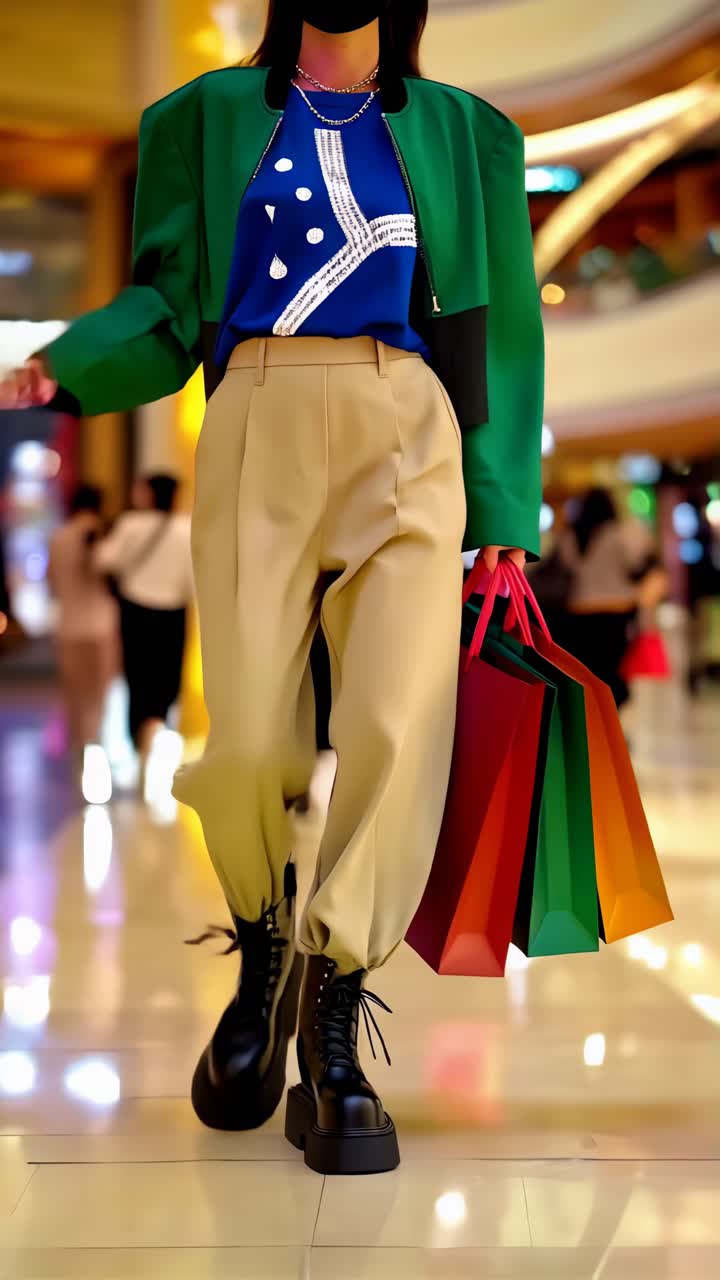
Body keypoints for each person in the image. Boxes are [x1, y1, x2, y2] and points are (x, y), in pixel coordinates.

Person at [0, 2, 544, 1174]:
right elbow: (164, 303)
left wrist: (502, 511)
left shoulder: (468, 133)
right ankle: (263, 949)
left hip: (412, 426)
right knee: (247, 737)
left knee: (399, 724)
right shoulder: (198, 118)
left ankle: (336, 1011)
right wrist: (66, 366)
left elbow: (503, 337)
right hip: (253, 406)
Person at [94, 474, 193, 759]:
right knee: (167, 676)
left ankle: (139, 739)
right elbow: (193, 578)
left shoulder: (130, 525)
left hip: (136, 611)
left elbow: (104, 560)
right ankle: (157, 728)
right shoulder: (186, 529)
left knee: (137, 677)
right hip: (173, 612)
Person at [557, 488, 660, 708]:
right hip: (616, 612)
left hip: (580, 611)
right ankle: (610, 724)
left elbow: (568, 567)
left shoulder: (572, 535)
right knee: (613, 671)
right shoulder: (619, 534)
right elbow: (635, 566)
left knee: (589, 672)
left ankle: (593, 722)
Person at [48, 485, 118, 768]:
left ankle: (82, 761)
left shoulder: (59, 537)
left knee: (76, 700)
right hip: (101, 629)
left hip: (69, 628)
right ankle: (96, 754)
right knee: (99, 700)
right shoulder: (106, 534)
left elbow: (52, 584)